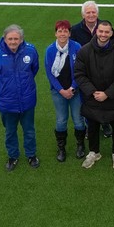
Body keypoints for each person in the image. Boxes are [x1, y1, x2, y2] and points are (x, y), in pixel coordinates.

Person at [0, 24, 40, 171]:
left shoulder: (31, 51)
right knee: (10, 132)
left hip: (27, 101)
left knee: (29, 130)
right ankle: (13, 156)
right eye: (10, 39)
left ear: (21, 39)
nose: (13, 42)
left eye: (16, 39)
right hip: (7, 103)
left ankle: (31, 155)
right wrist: (6, 87)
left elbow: (34, 69)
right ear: (4, 38)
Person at [74, 20, 114, 170]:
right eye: (101, 31)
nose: (103, 34)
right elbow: (79, 74)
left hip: (113, 98)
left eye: (107, 32)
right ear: (96, 32)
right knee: (92, 126)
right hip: (92, 97)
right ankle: (94, 152)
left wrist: (107, 93)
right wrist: (92, 92)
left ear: (111, 33)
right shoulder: (84, 51)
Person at [70, 0, 112, 139]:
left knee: (104, 98)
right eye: (88, 12)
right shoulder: (75, 30)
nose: (91, 15)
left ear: (97, 13)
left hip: (103, 70)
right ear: (83, 15)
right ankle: (90, 125)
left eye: (93, 12)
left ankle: (105, 123)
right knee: (87, 100)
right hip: (86, 73)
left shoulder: (105, 27)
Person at [44, 20, 85, 162]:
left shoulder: (76, 47)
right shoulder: (50, 50)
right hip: (58, 92)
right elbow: (50, 74)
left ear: (69, 33)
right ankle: (61, 148)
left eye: (65, 31)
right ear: (55, 33)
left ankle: (80, 146)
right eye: (60, 31)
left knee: (78, 120)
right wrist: (61, 90)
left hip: (75, 90)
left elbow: (80, 70)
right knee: (61, 120)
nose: (63, 34)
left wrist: (72, 88)